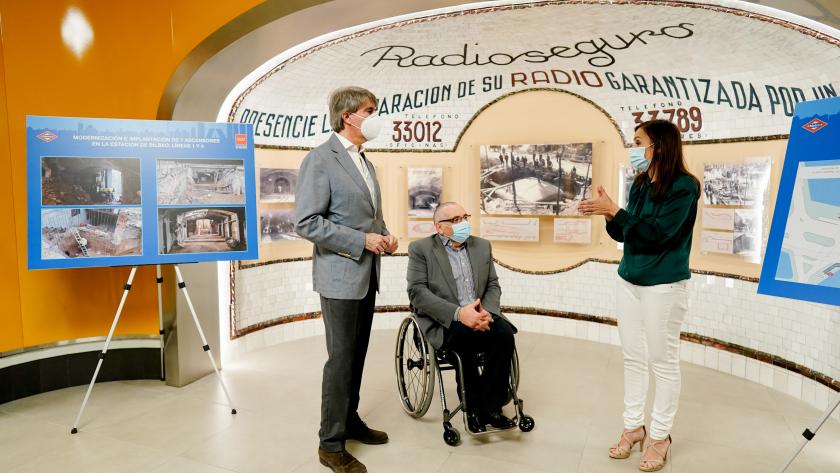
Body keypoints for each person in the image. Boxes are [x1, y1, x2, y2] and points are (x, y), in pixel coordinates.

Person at [579, 119, 699, 472]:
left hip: (664, 284)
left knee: (662, 361)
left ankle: (660, 436)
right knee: (633, 356)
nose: (633, 149)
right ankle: (634, 428)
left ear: (659, 146)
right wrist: (609, 212)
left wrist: (617, 212)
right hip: (629, 280)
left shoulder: (684, 187)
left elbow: (657, 235)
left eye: (638, 142)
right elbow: (625, 234)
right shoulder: (642, 183)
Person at [294, 86, 398, 473]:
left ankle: (350, 420)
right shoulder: (321, 160)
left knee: (356, 356)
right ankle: (330, 443)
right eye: (370, 110)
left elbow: (366, 216)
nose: (375, 116)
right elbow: (306, 222)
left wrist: (384, 234)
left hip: (367, 273)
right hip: (339, 277)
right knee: (340, 361)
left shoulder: (364, 161)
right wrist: (361, 240)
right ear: (348, 116)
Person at [406, 202, 518, 433]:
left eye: (464, 217)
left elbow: (492, 284)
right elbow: (417, 292)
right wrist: (459, 314)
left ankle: (492, 406)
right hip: (446, 320)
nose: (464, 223)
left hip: (481, 314)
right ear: (440, 227)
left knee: (505, 335)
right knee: (464, 340)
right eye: (456, 220)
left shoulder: (482, 246)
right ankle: (474, 409)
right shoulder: (421, 249)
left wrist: (488, 311)